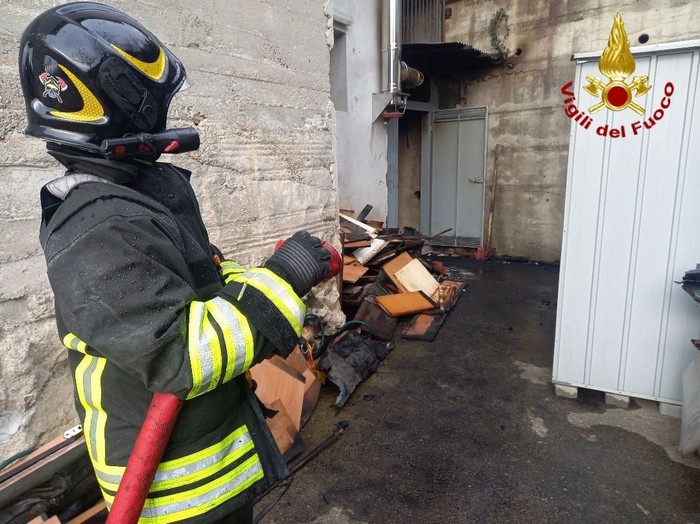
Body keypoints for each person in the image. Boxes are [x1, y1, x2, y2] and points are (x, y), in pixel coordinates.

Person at [19, 3, 331, 522]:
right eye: (155, 104)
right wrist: (283, 280)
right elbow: (180, 355)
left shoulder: (138, 197)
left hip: (205, 457)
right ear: (122, 105)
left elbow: (206, 280)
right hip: (172, 490)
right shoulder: (99, 228)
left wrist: (260, 279)